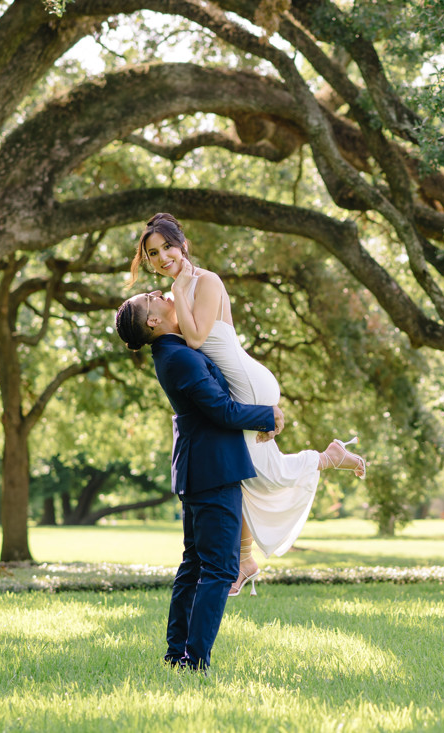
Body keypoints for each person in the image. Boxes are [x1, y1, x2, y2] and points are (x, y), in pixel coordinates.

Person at [127, 213, 366, 596]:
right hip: (235, 386)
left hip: (246, 385)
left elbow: (195, 339)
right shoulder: (176, 293)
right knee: (237, 475)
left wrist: (182, 286)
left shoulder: (205, 281)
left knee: (265, 474)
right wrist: (177, 290)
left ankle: (329, 458)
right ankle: (245, 559)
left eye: (167, 247)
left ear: (182, 244)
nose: (161, 257)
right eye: (153, 253)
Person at [115, 290, 281, 671]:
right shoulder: (180, 358)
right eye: (151, 297)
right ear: (153, 320)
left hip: (201, 468)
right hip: (213, 470)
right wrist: (267, 415)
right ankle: (194, 661)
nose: (160, 293)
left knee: (194, 565)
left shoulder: (177, 352)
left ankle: (178, 656)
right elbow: (221, 410)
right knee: (219, 568)